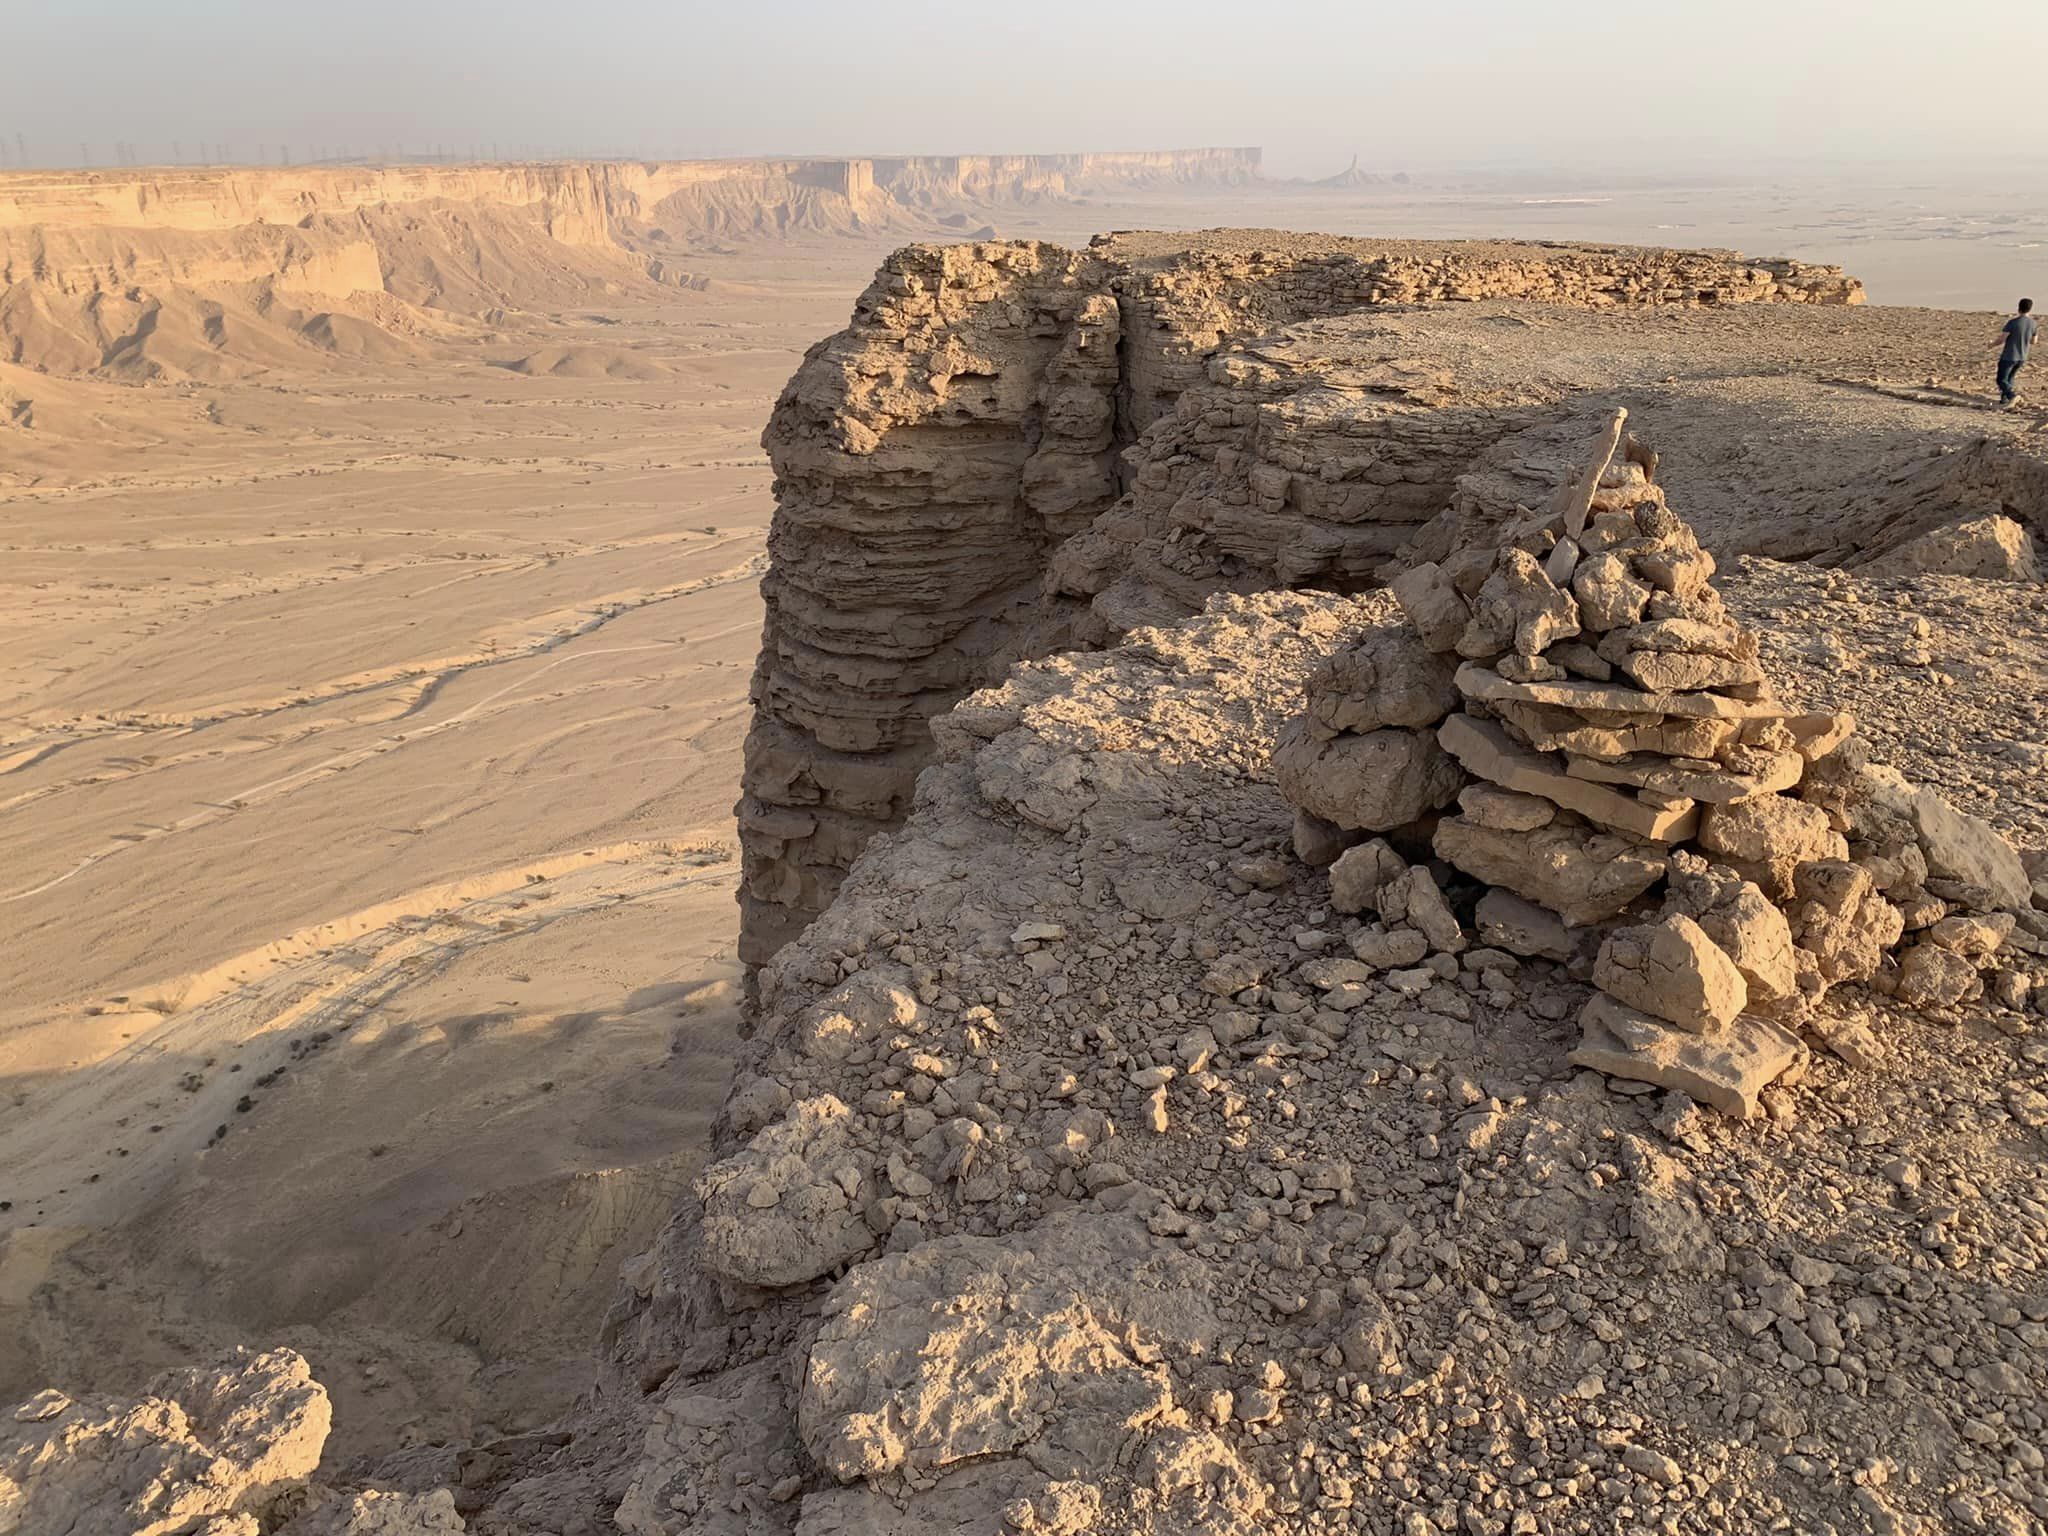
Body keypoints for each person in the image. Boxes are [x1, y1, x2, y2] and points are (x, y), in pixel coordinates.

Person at [1997, 298, 2036, 407]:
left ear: (2019, 308)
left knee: (2001, 379)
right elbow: (2034, 341)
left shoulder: (2013, 323)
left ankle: (2012, 396)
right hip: (2022, 356)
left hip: (2009, 355)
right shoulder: (2033, 324)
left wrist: (1991, 345)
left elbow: (2002, 339)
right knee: (2010, 378)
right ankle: (2004, 399)